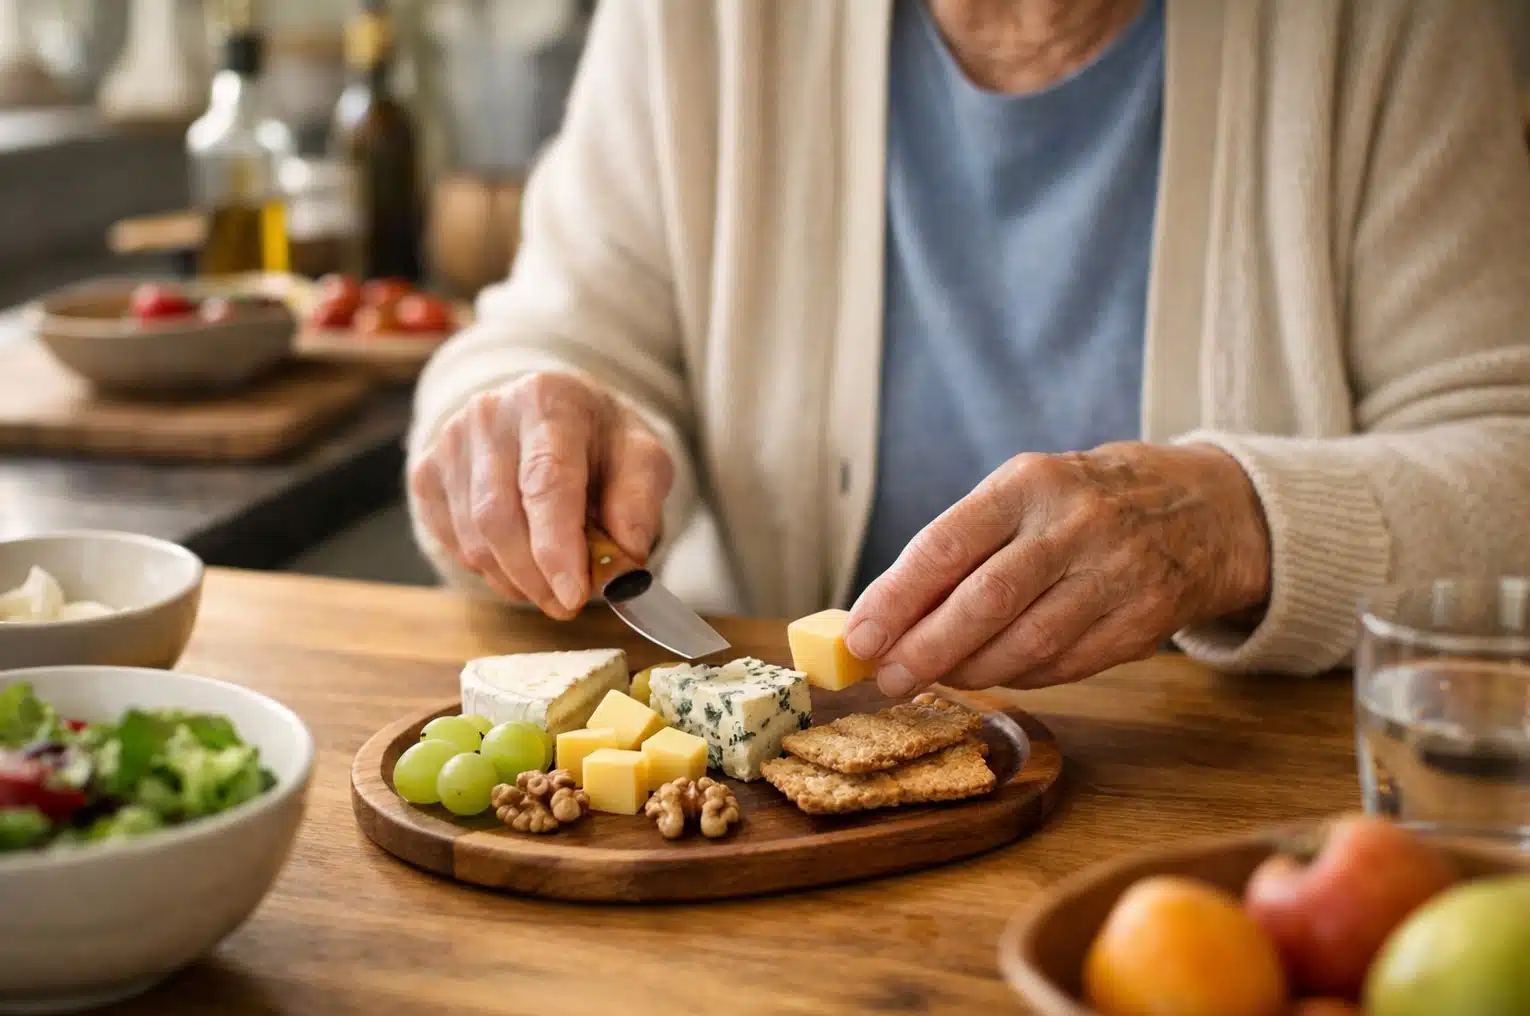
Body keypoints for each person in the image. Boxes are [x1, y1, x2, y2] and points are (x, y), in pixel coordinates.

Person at [406, 0, 1530, 697]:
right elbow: (541, 337)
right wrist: (525, 433)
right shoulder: (694, 20)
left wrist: (1238, 525)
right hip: (765, 861)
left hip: (1230, 837)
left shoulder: (1393, 24)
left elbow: (1508, 462)